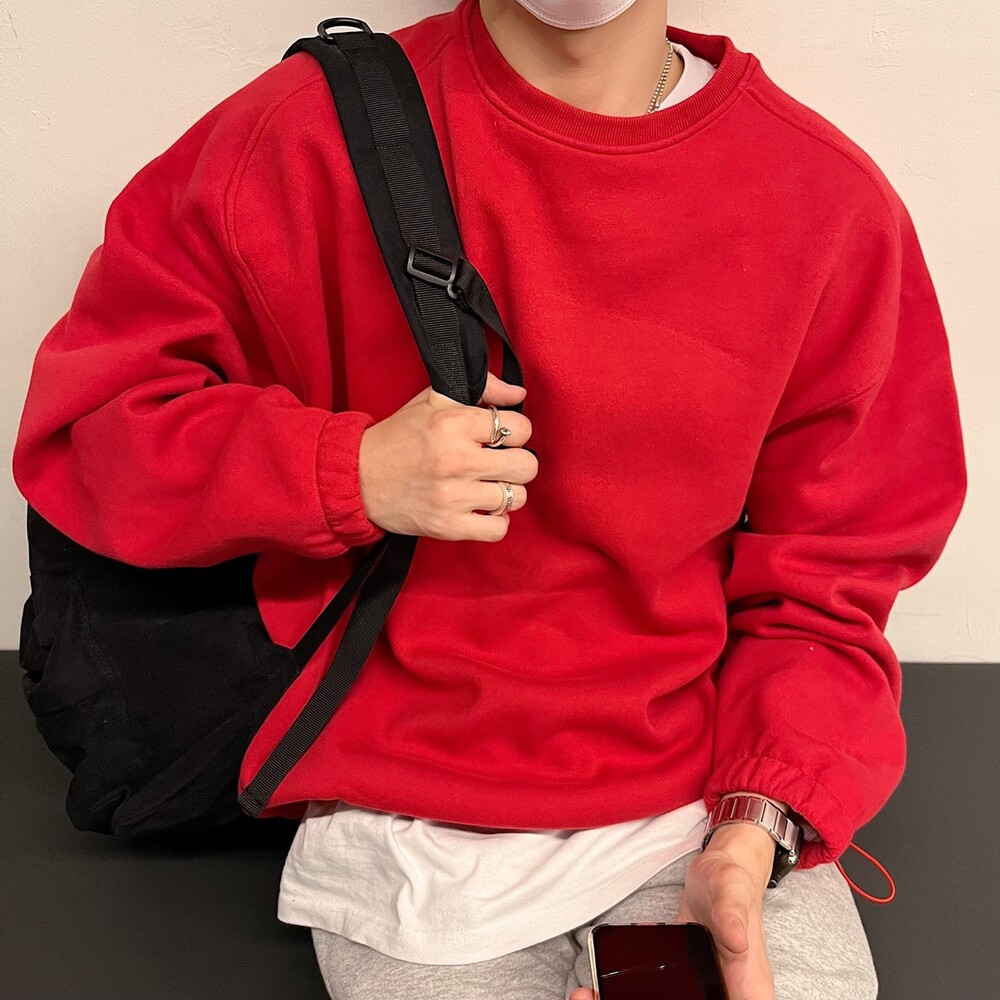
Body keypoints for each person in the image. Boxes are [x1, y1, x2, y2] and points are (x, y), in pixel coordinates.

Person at [11, 1, 967, 998]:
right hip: (406, 829)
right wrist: (351, 470)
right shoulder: (307, 136)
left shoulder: (826, 203)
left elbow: (832, 580)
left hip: (705, 804)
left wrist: (760, 820)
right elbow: (92, 425)